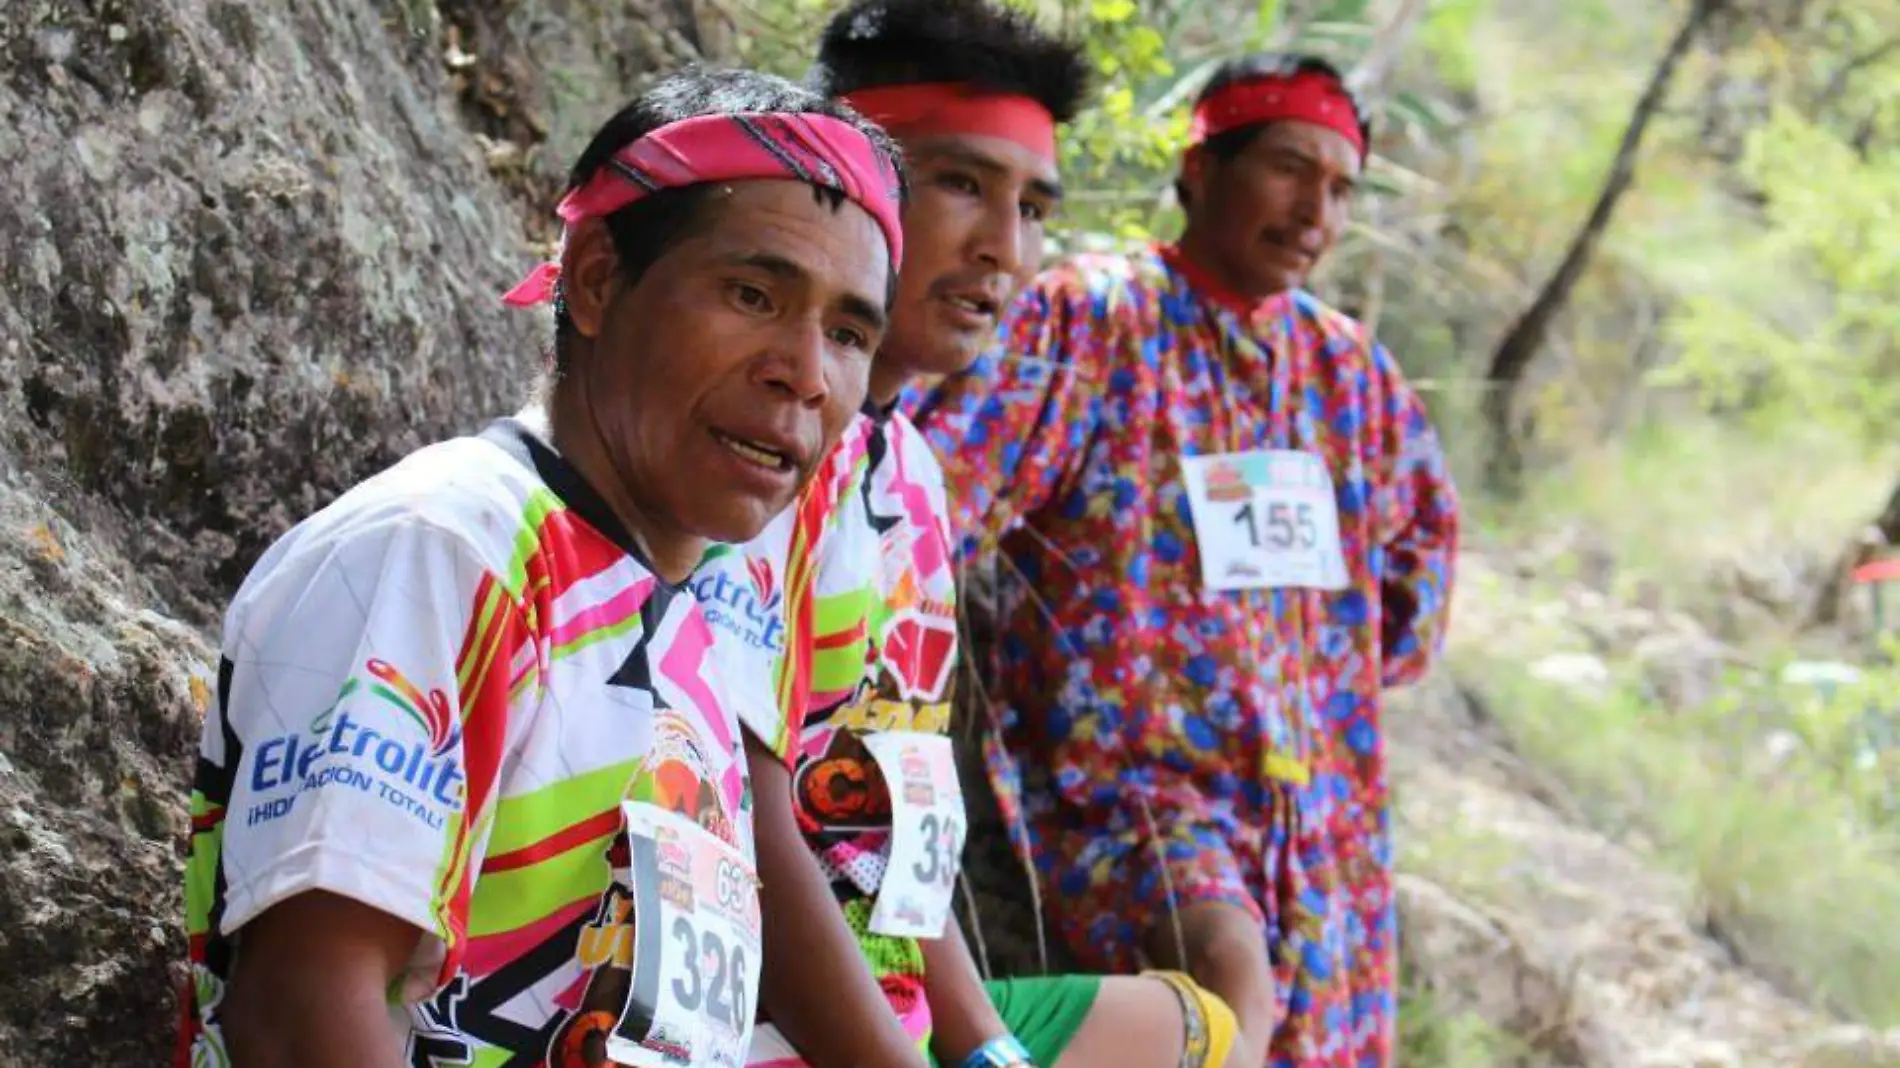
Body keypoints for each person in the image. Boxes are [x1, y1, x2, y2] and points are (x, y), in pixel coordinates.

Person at [174, 67, 906, 1068]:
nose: (806, 373)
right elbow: (304, 1010)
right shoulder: (446, 552)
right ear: (599, 280)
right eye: (752, 293)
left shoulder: (673, 612)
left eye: (849, 332)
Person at [692, 4, 1242, 1068]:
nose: (1004, 247)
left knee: (1189, 1027)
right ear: (841, 172)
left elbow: (886, 829)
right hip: (731, 1020)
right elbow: (751, 824)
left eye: (1034, 206)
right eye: (959, 183)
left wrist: (982, 1044)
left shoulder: (909, 472)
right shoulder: (745, 453)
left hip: (882, 1002)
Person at [905, 54, 1461, 1068]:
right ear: (1201, 169)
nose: (1315, 210)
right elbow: (928, 495)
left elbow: (1417, 580)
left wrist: (1313, 672)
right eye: (1290, 169)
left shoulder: (1350, 375)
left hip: (1320, 806)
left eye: (1341, 189)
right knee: (1224, 980)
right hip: (1136, 788)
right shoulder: (1096, 317)